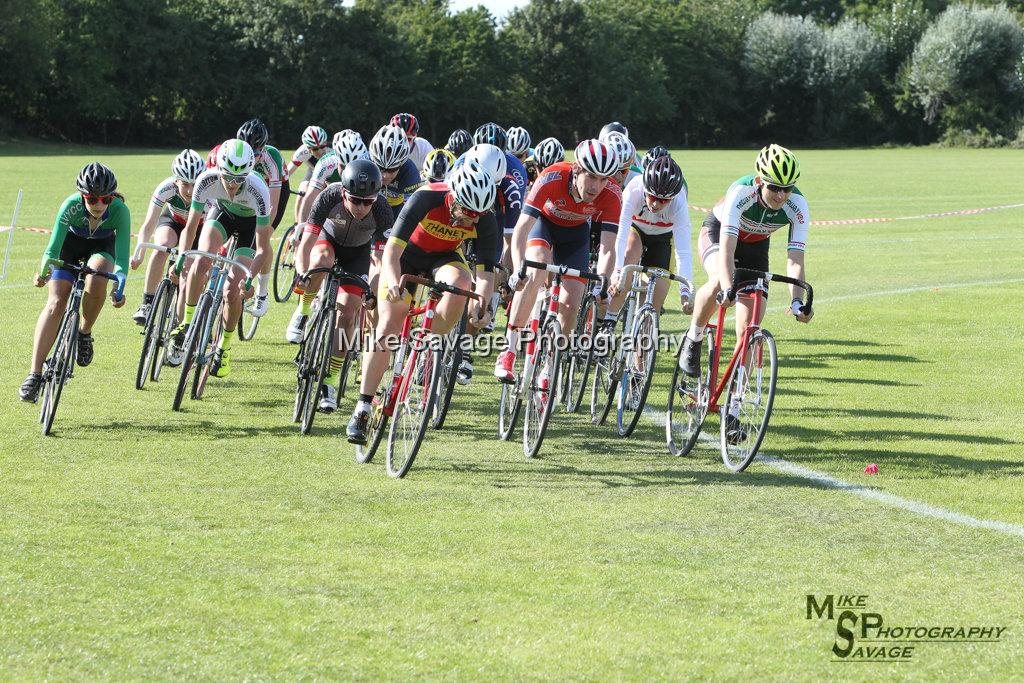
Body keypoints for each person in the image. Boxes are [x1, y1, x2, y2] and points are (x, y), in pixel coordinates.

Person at [345, 163, 498, 444]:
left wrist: (482, 304)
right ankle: (363, 407)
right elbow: (391, 251)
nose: (471, 222)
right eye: (467, 213)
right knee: (389, 326)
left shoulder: (484, 216)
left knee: (463, 285)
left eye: (478, 216)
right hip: (406, 257)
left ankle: (427, 348)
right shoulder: (426, 198)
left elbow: (486, 273)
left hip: (444, 259)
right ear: (454, 198)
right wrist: (392, 284)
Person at [679, 144, 813, 395]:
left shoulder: (798, 205)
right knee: (720, 281)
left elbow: (795, 259)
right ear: (760, 181)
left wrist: (797, 302)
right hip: (719, 234)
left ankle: (735, 403)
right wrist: (729, 289)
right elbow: (727, 251)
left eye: (788, 188)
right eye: (774, 187)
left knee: (749, 329)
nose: (781, 195)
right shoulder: (741, 192)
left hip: (756, 248)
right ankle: (693, 337)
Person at [494, 139, 621, 383]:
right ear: (576, 170)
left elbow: (607, 248)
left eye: (604, 179)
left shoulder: (612, 194)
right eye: (592, 177)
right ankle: (509, 349)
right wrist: (520, 269)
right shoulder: (552, 177)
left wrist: (601, 284)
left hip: (576, 237)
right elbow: (521, 230)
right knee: (535, 272)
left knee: (572, 299)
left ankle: (550, 365)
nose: (597, 186)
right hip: (543, 226)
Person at [20, 163, 128, 401]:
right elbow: (52, 249)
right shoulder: (70, 206)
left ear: (112, 197)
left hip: (102, 247)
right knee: (56, 302)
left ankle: (84, 333)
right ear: (82, 196)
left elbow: (121, 259)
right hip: (69, 245)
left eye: (105, 199)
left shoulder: (120, 211)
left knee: (99, 276)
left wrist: (119, 285)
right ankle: (34, 373)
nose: (99, 205)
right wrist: (43, 271)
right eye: (92, 199)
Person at [167, 139, 272, 378]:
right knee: (201, 260)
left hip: (250, 229)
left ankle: (224, 346)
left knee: (231, 291)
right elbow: (191, 228)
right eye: (228, 178)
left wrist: (249, 279)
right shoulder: (207, 180)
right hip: (222, 215)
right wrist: (182, 258)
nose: (233, 185)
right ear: (219, 171)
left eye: (239, 179)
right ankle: (186, 323)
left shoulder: (259, 190)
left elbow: (264, 249)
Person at [300, 159, 394, 411]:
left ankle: (329, 381)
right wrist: (302, 273)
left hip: (357, 254)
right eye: (355, 200)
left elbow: (382, 259)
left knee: (349, 313)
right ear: (343, 193)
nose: (362, 207)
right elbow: (307, 240)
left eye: (368, 201)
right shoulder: (328, 196)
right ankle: (304, 310)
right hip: (327, 241)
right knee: (320, 260)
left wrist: (372, 290)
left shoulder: (383, 209)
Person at [287, 131, 369, 343]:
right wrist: (302, 225)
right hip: (331, 214)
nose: (346, 172)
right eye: (343, 166)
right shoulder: (327, 162)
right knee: (321, 259)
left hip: (358, 232)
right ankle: (303, 311)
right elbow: (311, 196)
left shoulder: (370, 168)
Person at [606, 155, 694, 324]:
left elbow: (683, 252)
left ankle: (643, 340)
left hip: (662, 238)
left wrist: (685, 292)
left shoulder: (679, 203)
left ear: (673, 197)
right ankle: (609, 322)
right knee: (626, 268)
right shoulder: (634, 189)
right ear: (645, 189)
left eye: (663, 200)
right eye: (652, 197)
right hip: (635, 230)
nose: (656, 204)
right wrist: (617, 273)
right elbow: (621, 233)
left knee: (654, 299)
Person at [129, 149, 206, 325]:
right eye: (185, 184)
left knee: (189, 267)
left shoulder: (207, 195)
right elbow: (148, 225)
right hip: (173, 221)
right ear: (176, 180)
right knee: (161, 247)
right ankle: (147, 304)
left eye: (195, 184)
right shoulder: (166, 188)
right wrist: (139, 254)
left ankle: (184, 320)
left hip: (198, 228)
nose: (190, 190)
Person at [236, 118, 286, 316]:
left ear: (263, 150)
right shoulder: (236, 154)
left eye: (256, 154)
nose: (252, 158)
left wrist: (262, 229)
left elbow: (272, 205)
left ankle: (262, 292)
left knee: (263, 238)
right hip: (247, 187)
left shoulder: (271, 158)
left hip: (272, 190)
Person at [284, 125, 331, 223]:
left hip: (331, 174)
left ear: (326, 143)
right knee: (302, 193)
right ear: (307, 147)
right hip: (314, 171)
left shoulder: (333, 150)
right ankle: (297, 228)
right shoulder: (302, 152)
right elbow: (286, 174)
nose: (320, 151)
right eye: (314, 149)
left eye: (322, 146)